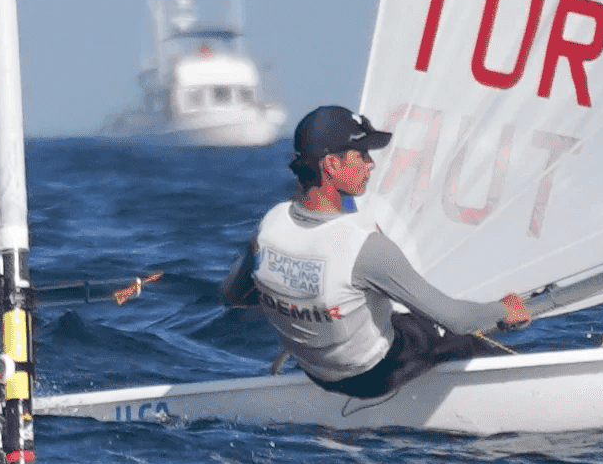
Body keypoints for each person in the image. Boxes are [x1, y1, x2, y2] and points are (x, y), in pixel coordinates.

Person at [223, 104, 528, 399]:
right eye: (363, 154)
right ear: (331, 165)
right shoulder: (365, 247)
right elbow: (458, 320)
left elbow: (234, 297)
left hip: (315, 372)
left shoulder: (268, 227)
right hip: (375, 377)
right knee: (450, 332)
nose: (371, 164)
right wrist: (504, 309)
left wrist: (302, 303)